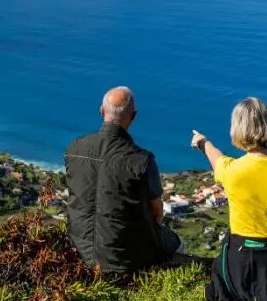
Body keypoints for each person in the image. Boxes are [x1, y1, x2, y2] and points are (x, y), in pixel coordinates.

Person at [192, 97, 267, 301]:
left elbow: (215, 157)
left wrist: (203, 142)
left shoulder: (231, 171)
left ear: (236, 129)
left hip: (237, 259)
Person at [64, 86, 182, 276]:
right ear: (133, 116)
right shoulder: (141, 160)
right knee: (177, 243)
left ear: (101, 112)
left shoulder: (74, 149)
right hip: (127, 259)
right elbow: (157, 211)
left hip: (80, 249)